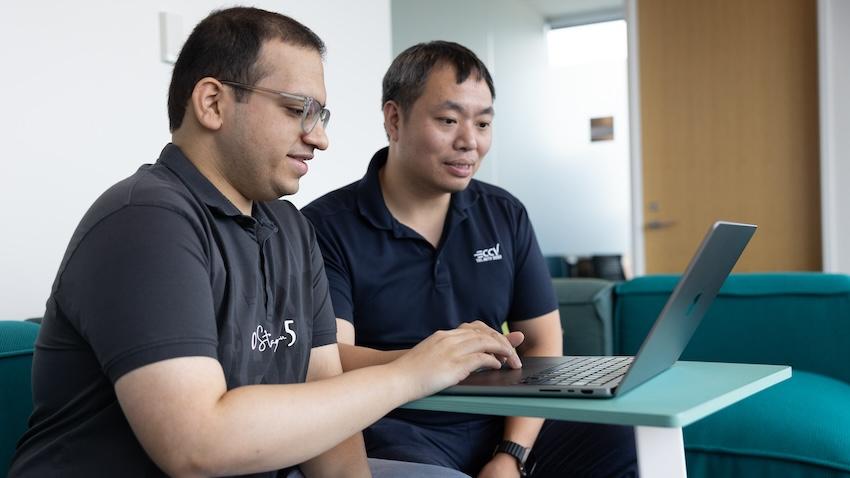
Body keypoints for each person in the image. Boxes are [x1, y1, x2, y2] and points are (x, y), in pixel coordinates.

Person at [8, 10, 523, 478]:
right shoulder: (144, 219)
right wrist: (411, 373)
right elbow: (195, 444)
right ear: (213, 102)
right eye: (298, 109)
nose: (319, 138)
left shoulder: (292, 229)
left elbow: (328, 404)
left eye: (321, 116)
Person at [302, 41, 638, 477]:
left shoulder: (504, 214)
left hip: (498, 421)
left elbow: (542, 343)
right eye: (448, 120)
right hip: (395, 426)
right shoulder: (325, 226)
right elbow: (335, 357)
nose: (469, 142)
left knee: (628, 440)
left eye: (482, 123)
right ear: (394, 118)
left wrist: (510, 454)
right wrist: (437, 361)